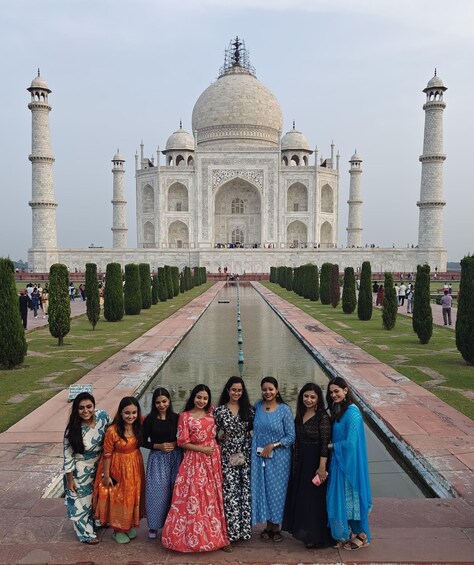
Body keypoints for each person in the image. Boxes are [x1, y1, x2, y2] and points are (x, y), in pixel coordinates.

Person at [161, 384, 230, 553]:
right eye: (199, 397)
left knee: (211, 496)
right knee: (192, 496)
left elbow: (221, 427)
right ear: (193, 397)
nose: (201, 401)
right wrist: (203, 449)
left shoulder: (212, 412)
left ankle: (215, 536)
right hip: (194, 459)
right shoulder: (185, 416)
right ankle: (188, 538)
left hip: (212, 459)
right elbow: (182, 442)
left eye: (205, 398)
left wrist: (224, 437)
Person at [283, 383, 333, 548]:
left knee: (315, 499)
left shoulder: (322, 417)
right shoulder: (300, 414)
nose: (309, 400)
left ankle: (316, 536)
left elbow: (325, 444)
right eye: (306, 396)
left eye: (312, 397)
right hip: (300, 461)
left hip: (315, 461)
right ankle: (305, 532)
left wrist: (322, 468)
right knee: (303, 497)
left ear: (318, 399)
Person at [326, 377, 372, 551]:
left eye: (336, 391)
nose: (333, 395)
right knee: (339, 500)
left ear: (345, 390)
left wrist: (331, 446)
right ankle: (347, 533)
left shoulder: (353, 413)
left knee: (351, 501)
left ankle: (362, 535)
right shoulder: (338, 409)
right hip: (339, 462)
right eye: (331, 392)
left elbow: (351, 444)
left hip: (349, 465)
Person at [93, 396, 145, 544]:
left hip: (135, 465)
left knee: (132, 495)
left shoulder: (138, 424)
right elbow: (107, 454)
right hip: (117, 467)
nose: (131, 416)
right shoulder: (113, 430)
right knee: (118, 497)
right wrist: (106, 475)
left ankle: (127, 525)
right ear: (120, 412)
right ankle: (117, 530)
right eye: (127, 413)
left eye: (134, 412)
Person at [251, 376, 295, 543]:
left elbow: (291, 436)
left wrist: (274, 445)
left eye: (271, 389)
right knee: (263, 489)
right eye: (264, 389)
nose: (267, 392)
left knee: (277, 491)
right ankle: (267, 526)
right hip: (260, 456)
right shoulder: (258, 406)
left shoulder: (284, 410)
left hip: (279, 458)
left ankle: (276, 527)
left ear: (277, 390)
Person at [64, 392, 109, 545]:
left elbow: (113, 432)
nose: (86, 411)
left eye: (89, 406)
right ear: (76, 410)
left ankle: (96, 521)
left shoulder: (103, 416)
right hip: (80, 469)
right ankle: (85, 534)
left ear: (94, 406)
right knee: (82, 502)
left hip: (99, 465)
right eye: (81, 408)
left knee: (96, 497)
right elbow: (68, 456)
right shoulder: (72, 430)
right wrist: (70, 480)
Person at [214, 377, 254, 545]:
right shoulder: (220, 411)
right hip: (228, 453)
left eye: (239, 390)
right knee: (229, 492)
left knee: (244, 491)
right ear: (228, 390)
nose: (236, 393)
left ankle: (243, 530)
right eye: (234, 390)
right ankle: (230, 531)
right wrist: (221, 437)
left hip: (244, 453)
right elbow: (213, 433)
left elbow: (255, 429)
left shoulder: (249, 410)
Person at [142, 388, 182, 540]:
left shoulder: (176, 418)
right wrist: (158, 446)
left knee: (175, 491)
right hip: (158, 459)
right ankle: (153, 526)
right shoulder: (150, 419)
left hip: (175, 457)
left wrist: (174, 444)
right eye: (158, 402)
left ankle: (171, 524)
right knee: (157, 492)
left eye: (164, 401)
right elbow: (142, 440)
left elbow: (183, 437)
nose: (161, 405)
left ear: (169, 401)